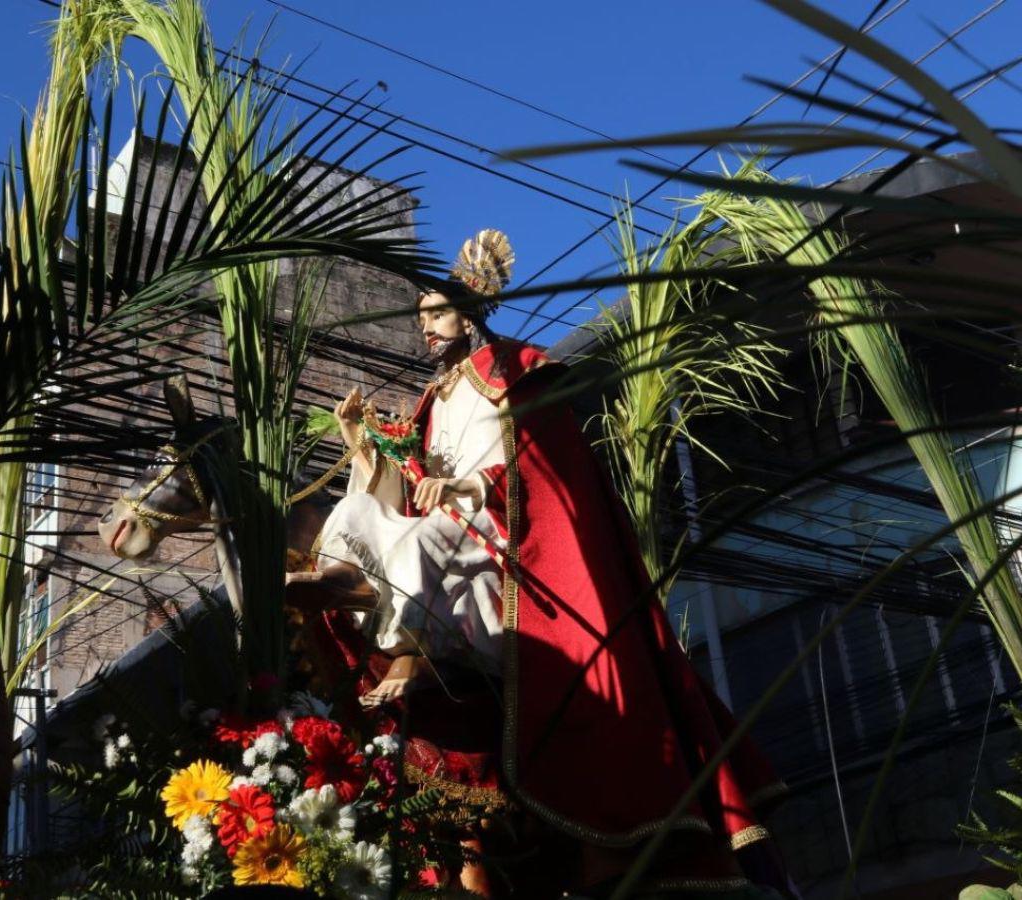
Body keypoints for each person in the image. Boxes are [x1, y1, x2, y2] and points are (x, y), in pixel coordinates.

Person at [291, 230, 791, 897]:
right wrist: (362, 446)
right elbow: (405, 489)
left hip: (505, 544)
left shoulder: (518, 373)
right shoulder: (431, 403)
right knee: (356, 516)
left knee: (420, 542)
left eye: (437, 313)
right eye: (421, 317)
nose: (427, 328)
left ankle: (406, 645)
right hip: (446, 545)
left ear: (470, 312)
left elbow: (541, 471)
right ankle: (346, 587)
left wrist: (466, 489)